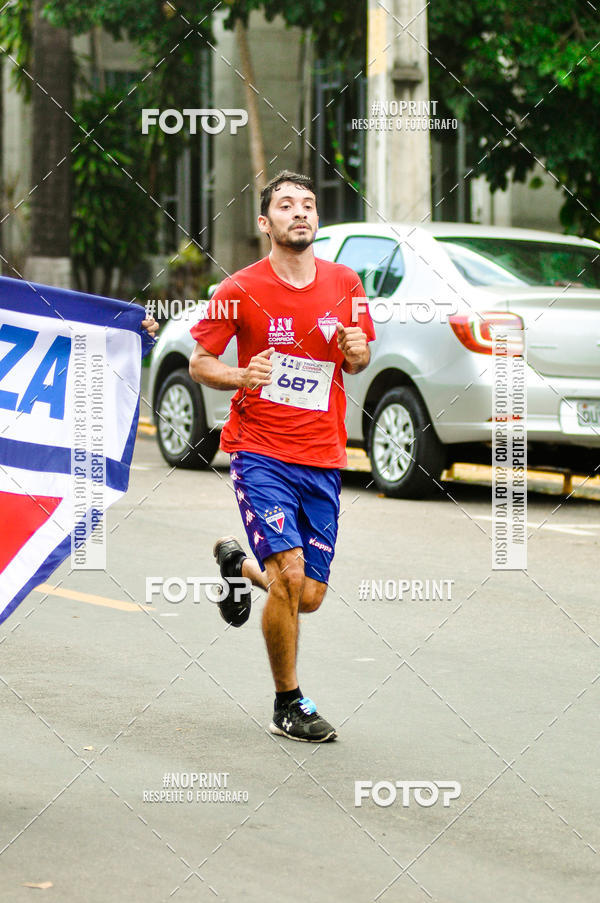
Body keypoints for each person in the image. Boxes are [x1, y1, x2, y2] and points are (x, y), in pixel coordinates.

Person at [189, 170, 375, 743]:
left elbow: (361, 359)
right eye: (287, 205)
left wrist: (357, 348)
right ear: (265, 224)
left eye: (309, 205)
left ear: (317, 220)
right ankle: (288, 703)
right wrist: (241, 374)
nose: (301, 213)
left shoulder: (347, 283)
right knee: (291, 579)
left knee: (309, 597)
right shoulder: (238, 289)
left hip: (322, 455)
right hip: (260, 453)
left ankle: (237, 567)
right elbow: (200, 362)